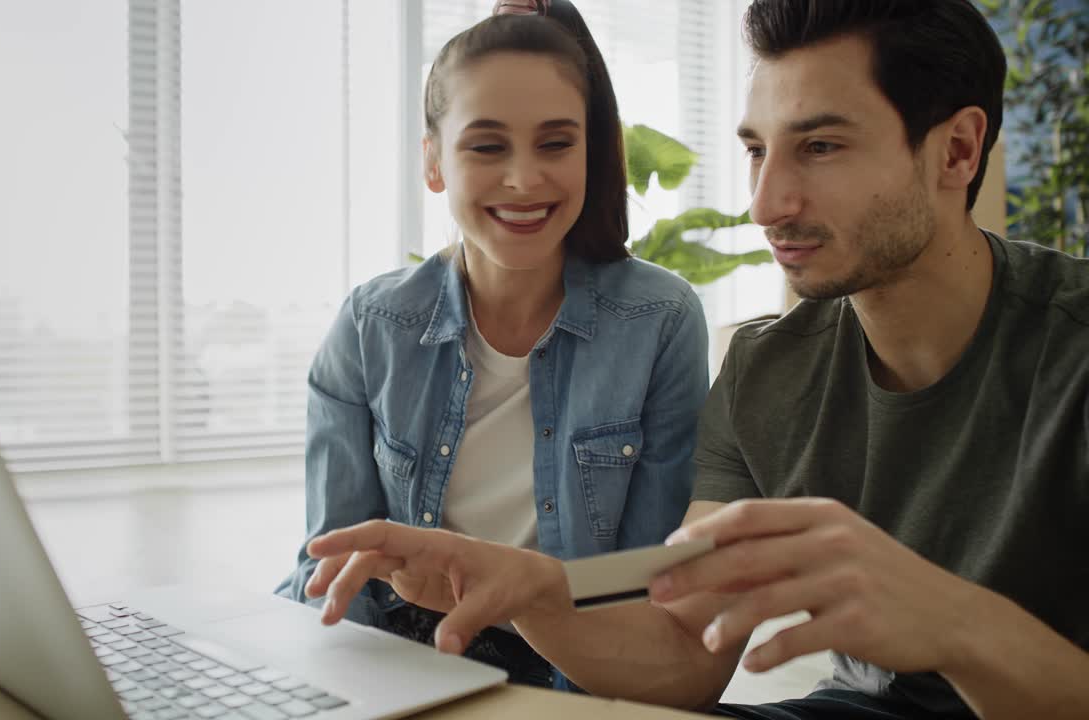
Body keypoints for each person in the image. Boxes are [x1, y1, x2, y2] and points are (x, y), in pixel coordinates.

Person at [302, 1, 1089, 718]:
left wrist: (956, 623)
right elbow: (684, 655)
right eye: (756, 150)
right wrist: (536, 592)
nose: (766, 202)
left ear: (956, 150)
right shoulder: (766, 372)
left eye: (819, 145)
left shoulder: (1071, 351)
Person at [274, 11, 709, 690]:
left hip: (572, 664)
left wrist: (529, 599)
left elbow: (647, 579)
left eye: (556, 144)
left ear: (589, 152)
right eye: (486, 147)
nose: (524, 180)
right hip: (398, 663)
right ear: (433, 162)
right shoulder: (371, 326)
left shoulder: (659, 321)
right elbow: (332, 568)